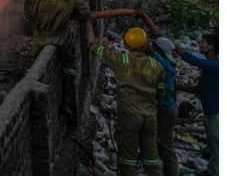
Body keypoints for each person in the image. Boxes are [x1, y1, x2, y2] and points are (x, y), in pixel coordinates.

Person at [86, 20, 165, 176]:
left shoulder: (121, 60)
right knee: (152, 158)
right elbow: (160, 94)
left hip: (129, 116)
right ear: (145, 44)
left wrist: (88, 23)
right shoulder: (157, 66)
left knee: (128, 158)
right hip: (150, 117)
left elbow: (93, 46)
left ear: (126, 44)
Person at [23, 0, 90, 77]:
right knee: (70, 67)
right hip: (64, 39)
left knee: (38, 70)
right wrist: (67, 14)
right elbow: (85, 12)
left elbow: (27, 16)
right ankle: (70, 85)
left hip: (41, 40)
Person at [174, 33, 218, 175]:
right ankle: (212, 170)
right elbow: (200, 89)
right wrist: (179, 87)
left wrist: (174, 46)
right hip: (210, 112)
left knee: (217, 148)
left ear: (211, 47)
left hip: (216, 114)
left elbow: (193, 60)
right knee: (213, 146)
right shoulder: (210, 67)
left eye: (203, 42)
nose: (200, 43)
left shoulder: (215, 65)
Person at [150, 36, 178, 176]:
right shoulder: (169, 63)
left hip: (165, 111)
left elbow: (149, 51)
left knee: (166, 147)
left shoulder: (162, 62)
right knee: (162, 145)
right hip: (169, 109)